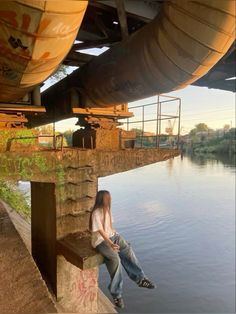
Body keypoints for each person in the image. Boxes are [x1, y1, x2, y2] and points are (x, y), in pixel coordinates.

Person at [89, 190, 156, 309]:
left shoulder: (107, 210)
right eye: (107, 198)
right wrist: (111, 244)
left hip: (113, 236)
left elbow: (110, 227)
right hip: (101, 241)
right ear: (102, 199)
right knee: (115, 258)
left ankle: (140, 279)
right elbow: (101, 231)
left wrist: (117, 237)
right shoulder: (96, 213)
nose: (110, 200)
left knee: (127, 249)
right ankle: (116, 294)